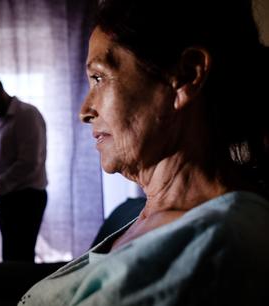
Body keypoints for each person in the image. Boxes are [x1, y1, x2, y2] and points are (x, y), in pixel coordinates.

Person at [19, 0, 269, 304]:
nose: (84, 111)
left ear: (186, 77)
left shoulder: (215, 243)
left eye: (99, 77)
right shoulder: (157, 219)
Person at [0, 72, 47, 262]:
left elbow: (28, 164)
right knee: (11, 260)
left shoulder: (27, 115)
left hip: (27, 200)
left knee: (20, 261)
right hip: (9, 199)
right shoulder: (0, 122)